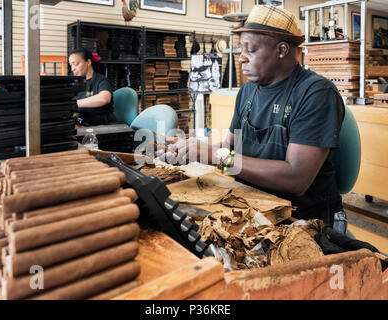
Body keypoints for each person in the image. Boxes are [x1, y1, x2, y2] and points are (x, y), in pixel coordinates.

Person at [158, 5, 346, 231]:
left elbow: (297, 178)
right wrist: (193, 148)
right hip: (252, 205)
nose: (241, 59)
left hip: (303, 219)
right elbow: (229, 146)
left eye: (252, 50)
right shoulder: (248, 90)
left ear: (282, 49)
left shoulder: (315, 93)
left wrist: (218, 157)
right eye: (241, 49)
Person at [68, 48, 116, 126]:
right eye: (71, 65)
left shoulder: (101, 80)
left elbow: (104, 99)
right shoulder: (75, 83)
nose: (72, 68)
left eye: (76, 64)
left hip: (102, 125)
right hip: (82, 124)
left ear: (88, 62)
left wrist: (75, 103)